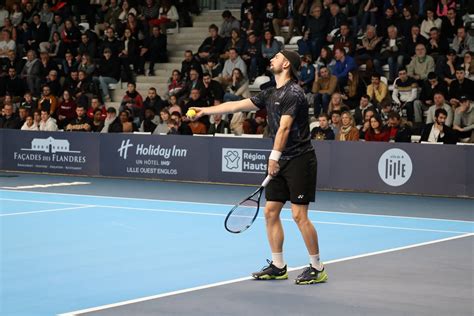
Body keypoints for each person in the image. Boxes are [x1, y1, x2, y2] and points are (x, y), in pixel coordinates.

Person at [191, 50, 328, 285]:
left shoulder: (293, 93)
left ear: (285, 64)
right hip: (280, 160)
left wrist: (274, 158)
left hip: (299, 160)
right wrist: (206, 111)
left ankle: (317, 267)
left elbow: (284, 129)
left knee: (299, 216)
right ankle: (278, 265)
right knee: (270, 211)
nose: (271, 60)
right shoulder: (270, 93)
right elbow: (235, 107)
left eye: (275, 57)